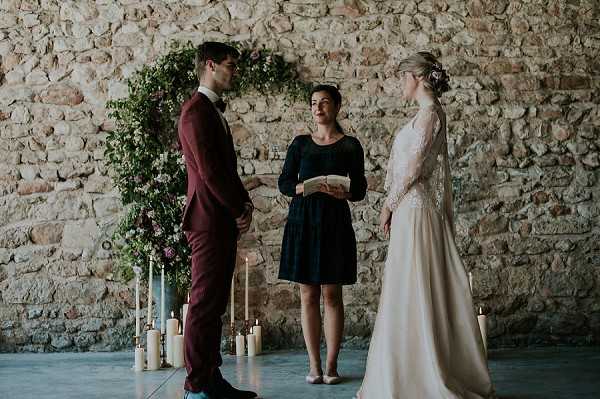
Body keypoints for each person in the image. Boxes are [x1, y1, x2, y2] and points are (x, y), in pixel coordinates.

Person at [356, 52, 495, 398]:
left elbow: (415, 166)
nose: (400, 84)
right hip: (411, 209)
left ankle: (421, 375)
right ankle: (407, 373)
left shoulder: (431, 114)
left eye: (403, 77)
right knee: (406, 288)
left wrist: (388, 205)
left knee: (414, 288)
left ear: (418, 76)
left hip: (414, 211)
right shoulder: (424, 115)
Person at [178, 41, 257, 399]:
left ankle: (211, 379)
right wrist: (238, 207)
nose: (234, 71)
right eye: (230, 65)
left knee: (214, 305)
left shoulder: (210, 111)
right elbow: (211, 173)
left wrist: (245, 203)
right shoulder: (196, 112)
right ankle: (196, 386)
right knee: (203, 303)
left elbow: (225, 170)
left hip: (218, 219)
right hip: (208, 220)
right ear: (210, 65)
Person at [278, 84, 367, 385]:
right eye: (314, 103)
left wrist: (345, 192)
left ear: (337, 107)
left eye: (324, 102)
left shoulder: (350, 145)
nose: (318, 108)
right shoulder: (300, 144)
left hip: (334, 223)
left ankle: (332, 366)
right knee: (307, 294)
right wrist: (303, 187)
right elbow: (285, 182)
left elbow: (361, 189)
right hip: (303, 223)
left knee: (332, 294)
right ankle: (314, 366)